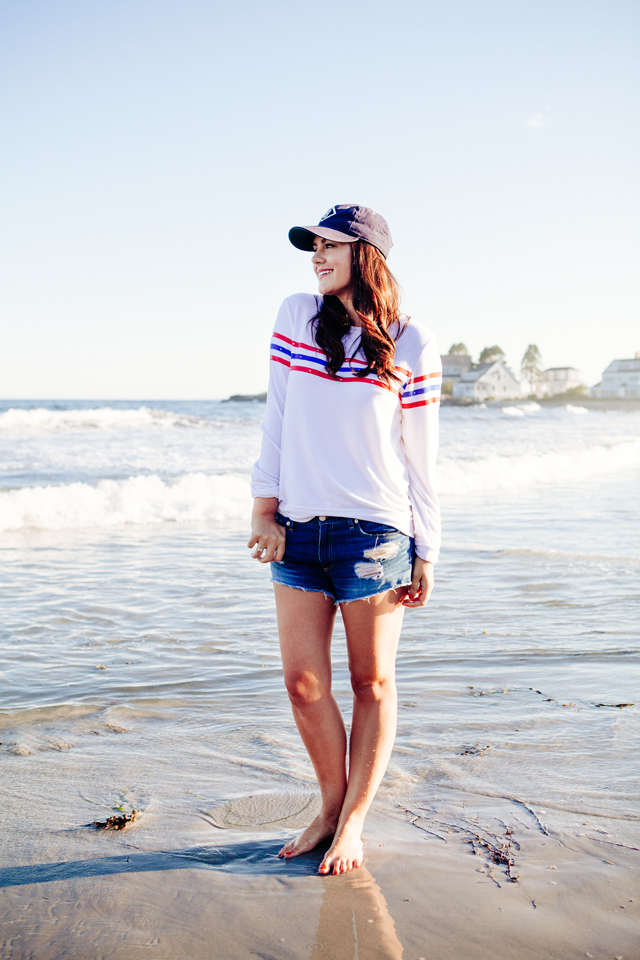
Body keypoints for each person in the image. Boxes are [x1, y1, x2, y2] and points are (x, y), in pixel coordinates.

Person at [248, 204, 441, 876]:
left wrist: (428, 549)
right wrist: (262, 510)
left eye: (330, 246)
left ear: (368, 255)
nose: (316, 257)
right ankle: (329, 807)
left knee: (373, 683)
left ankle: (354, 822)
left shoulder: (411, 342)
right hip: (299, 532)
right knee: (303, 684)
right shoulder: (296, 317)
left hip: (377, 538)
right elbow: (276, 418)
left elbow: (422, 459)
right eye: (313, 248)